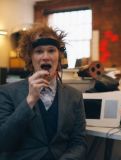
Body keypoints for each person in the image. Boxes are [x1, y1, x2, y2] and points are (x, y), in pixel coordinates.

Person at [0, 25, 87, 160]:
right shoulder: (7, 92)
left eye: (51, 50)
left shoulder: (74, 96)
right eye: (39, 51)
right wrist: (30, 100)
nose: (45, 57)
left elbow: (78, 142)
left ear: (59, 56)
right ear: (30, 58)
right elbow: (3, 142)